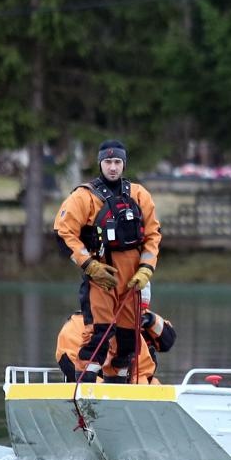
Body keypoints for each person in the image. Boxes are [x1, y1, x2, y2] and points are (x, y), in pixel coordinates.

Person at [53, 139, 162, 384]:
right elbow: (63, 232)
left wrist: (146, 269)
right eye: (108, 162)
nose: (112, 167)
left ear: (123, 164)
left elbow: (153, 235)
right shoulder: (85, 196)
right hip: (101, 277)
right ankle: (85, 384)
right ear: (100, 164)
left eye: (117, 162)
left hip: (133, 279)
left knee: (126, 340)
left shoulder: (139, 195)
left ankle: (119, 385)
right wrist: (89, 265)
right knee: (98, 334)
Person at [55, 287, 178, 384]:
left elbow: (166, 341)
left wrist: (149, 320)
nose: (136, 313)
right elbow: (71, 366)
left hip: (130, 394)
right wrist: (111, 392)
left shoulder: (135, 325)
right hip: (93, 395)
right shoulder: (75, 327)